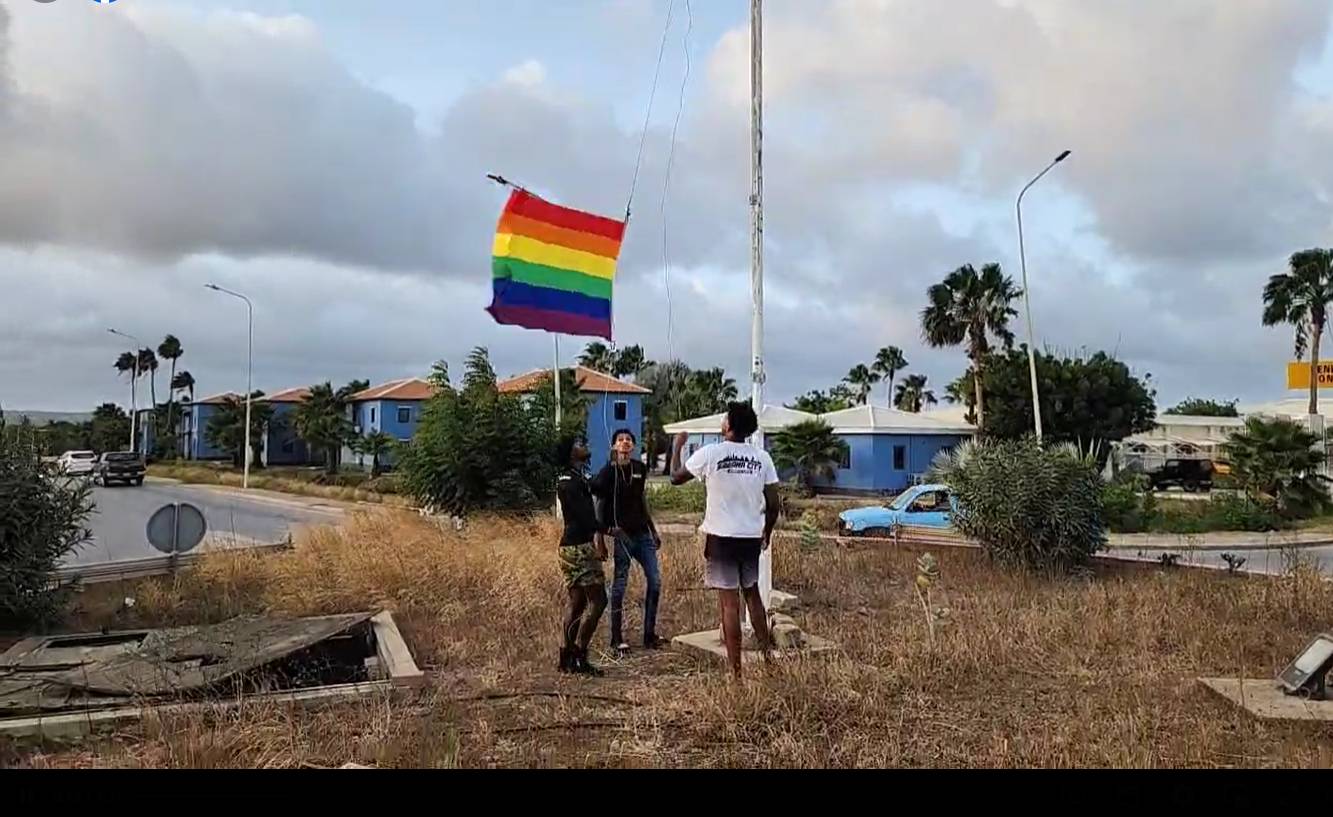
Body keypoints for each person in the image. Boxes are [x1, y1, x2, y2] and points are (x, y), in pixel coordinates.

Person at [670, 402, 780, 678]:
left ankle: (736, 672)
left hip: (721, 537)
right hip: (750, 537)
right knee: (753, 595)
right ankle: (767, 658)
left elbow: (675, 478)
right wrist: (767, 530)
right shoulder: (762, 458)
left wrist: (677, 446)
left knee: (729, 603)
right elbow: (774, 501)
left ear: (728, 425)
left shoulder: (711, 453)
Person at [592, 428, 665, 656]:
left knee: (655, 581)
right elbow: (599, 505)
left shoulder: (640, 469)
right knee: (620, 586)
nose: (624, 443)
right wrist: (600, 538)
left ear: (633, 446)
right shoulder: (607, 473)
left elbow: (642, 500)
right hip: (622, 536)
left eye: (628, 440)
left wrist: (653, 529)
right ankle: (616, 638)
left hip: (642, 534)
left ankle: (649, 634)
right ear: (614, 446)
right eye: (620, 440)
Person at [555, 434, 609, 676]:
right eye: (578, 444)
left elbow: (597, 485)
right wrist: (607, 529)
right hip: (579, 548)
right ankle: (579, 654)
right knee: (599, 602)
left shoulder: (575, 478)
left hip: (570, 547)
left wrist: (612, 465)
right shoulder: (569, 483)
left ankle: (566, 656)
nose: (584, 445)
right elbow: (584, 517)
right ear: (570, 453)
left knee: (577, 604)